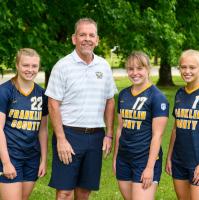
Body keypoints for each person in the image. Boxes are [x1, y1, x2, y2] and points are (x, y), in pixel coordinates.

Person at [45, 18, 117, 200]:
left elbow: (110, 100)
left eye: (91, 35)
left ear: (97, 40)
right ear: (73, 38)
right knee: (64, 192)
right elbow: (53, 104)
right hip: (69, 135)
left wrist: (108, 134)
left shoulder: (104, 66)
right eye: (82, 34)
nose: (87, 39)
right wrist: (61, 139)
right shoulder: (62, 66)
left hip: (95, 136)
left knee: (84, 191)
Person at [113, 51, 169, 200]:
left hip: (144, 160)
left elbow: (158, 136)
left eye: (139, 68)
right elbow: (120, 128)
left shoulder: (157, 97)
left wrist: (150, 168)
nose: (135, 73)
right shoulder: (124, 95)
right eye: (131, 69)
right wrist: (115, 158)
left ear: (148, 69)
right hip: (124, 158)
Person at [0, 48, 48, 200]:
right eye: (26, 65)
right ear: (17, 65)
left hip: (32, 157)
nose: (30, 70)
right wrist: (6, 162)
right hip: (11, 155)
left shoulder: (42, 94)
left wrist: (44, 160)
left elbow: (43, 130)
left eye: (34, 66)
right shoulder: (5, 91)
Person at [166, 49, 199, 200]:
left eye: (192, 67)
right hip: (179, 159)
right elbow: (175, 128)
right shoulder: (180, 93)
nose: (187, 71)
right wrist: (169, 156)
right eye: (183, 67)